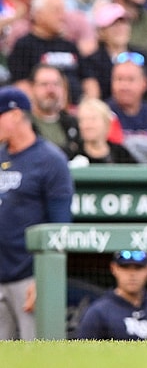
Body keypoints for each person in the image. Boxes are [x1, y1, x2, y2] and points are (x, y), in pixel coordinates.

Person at [0, 87, 74, 340]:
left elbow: (60, 226)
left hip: (29, 275)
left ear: (15, 115)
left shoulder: (50, 159)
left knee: (37, 355)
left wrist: (43, 278)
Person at [75, 250, 147, 340]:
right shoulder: (98, 313)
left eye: (138, 268)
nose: (132, 274)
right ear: (114, 268)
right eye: (125, 267)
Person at [106, 53, 147, 164]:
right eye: (119, 79)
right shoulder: (104, 113)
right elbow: (118, 148)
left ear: (144, 83)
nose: (124, 86)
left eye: (130, 80)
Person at [28, 63, 81, 160]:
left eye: (56, 84)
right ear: (32, 88)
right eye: (44, 84)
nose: (51, 90)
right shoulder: (24, 124)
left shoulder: (74, 124)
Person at [72, 97, 137, 165]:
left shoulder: (121, 153)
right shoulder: (72, 153)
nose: (87, 125)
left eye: (93, 119)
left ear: (107, 123)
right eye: (83, 120)